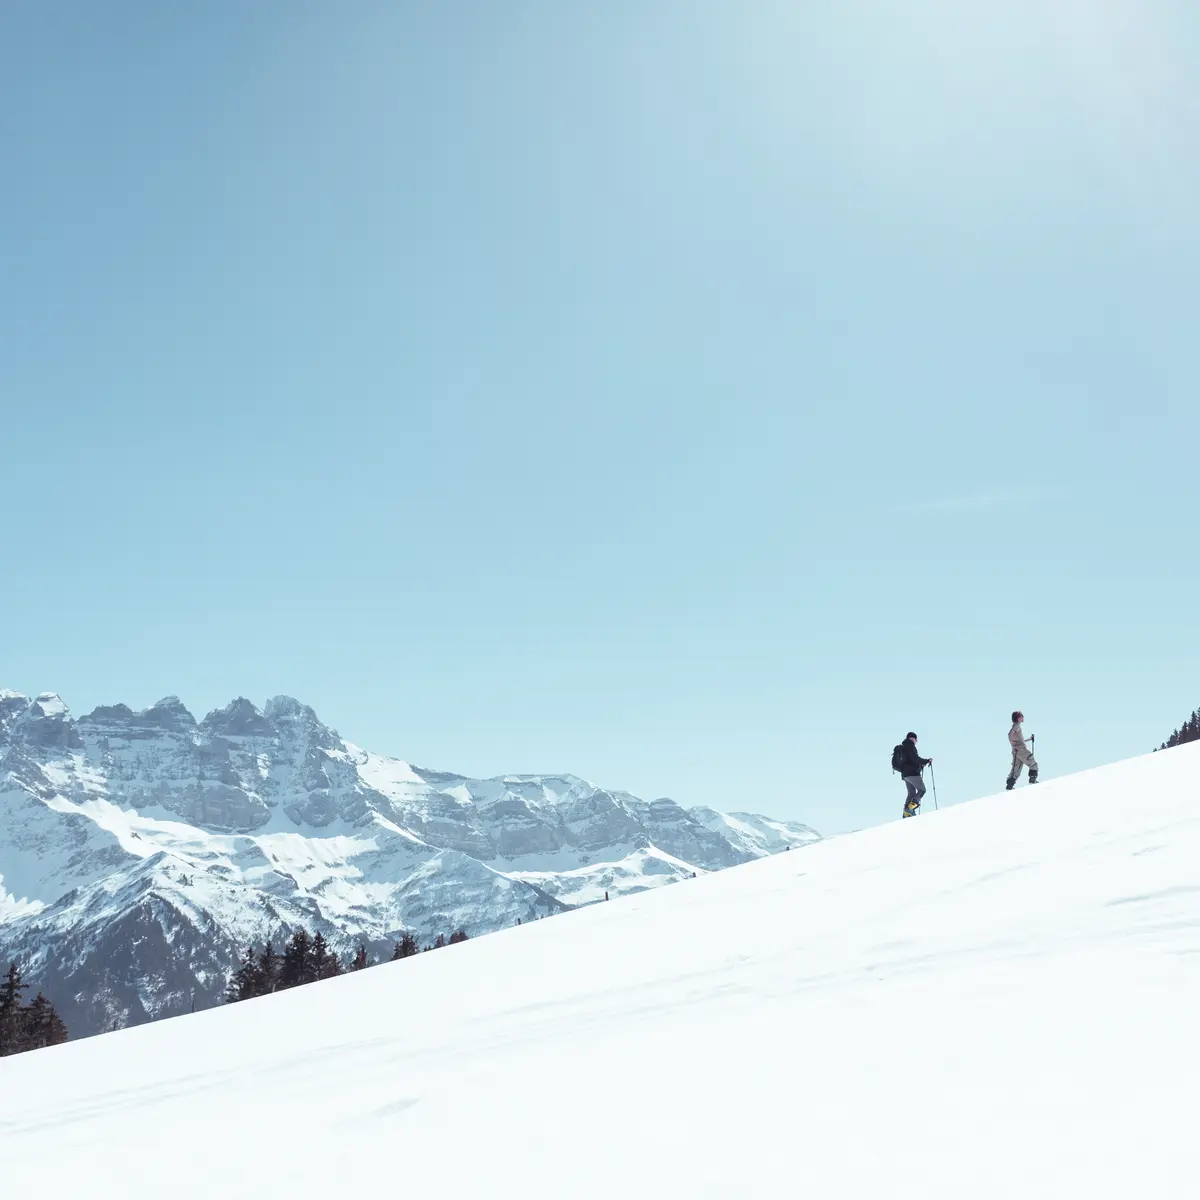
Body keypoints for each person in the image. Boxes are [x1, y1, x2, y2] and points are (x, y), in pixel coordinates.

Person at [898, 732, 932, 818]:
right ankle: (909, 809)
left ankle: (906, 813)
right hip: (912, 773)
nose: (916, 741)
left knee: (911, 793)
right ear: (913, 738)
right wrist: (926, 761)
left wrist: (920, 765)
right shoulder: (910, 746)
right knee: (922, 790)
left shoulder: (903, 747)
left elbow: (910, 760)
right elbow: (915, 759)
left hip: (905, 774)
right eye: (916, 739)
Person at [1006, 710, 1038, 790]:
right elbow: (1009, 734)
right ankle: (1033, 780)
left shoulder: (1016, 726)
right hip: (1020, 750)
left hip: (1017, 751)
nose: (1023, 717)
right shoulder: (1016, 726)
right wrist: (1013, 745)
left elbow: (1019, 741)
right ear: (1018, 718)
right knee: (1032, 763)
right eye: (1022, 715)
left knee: (1016, 770)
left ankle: (1009, 786)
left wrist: (1029, 739)